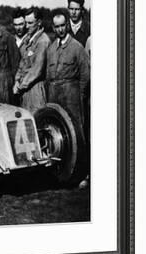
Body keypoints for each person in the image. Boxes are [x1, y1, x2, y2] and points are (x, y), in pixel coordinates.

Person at [46, 11, 90, 152]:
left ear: (67, 26)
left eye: (63, 25)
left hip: (72, 95)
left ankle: (80, 169)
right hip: (54, 95)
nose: (60, 29)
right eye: (57, 26)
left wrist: (80, 95)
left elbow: (85, 74)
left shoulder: (77, 47)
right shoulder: (51, 49)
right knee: (57, 131)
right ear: (53, 28)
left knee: (76, 131)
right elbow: (48, 75)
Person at [13, 8, 51, 113]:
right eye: (26, 23)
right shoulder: (28, 39)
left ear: (39, 23)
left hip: (36, 89)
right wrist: (17, 80)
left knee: (36, 119)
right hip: (25, 88)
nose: (27, 26)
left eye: (30, 23)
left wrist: (20, 86)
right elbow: (22, 63)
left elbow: (37, 70)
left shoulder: (42, 41)